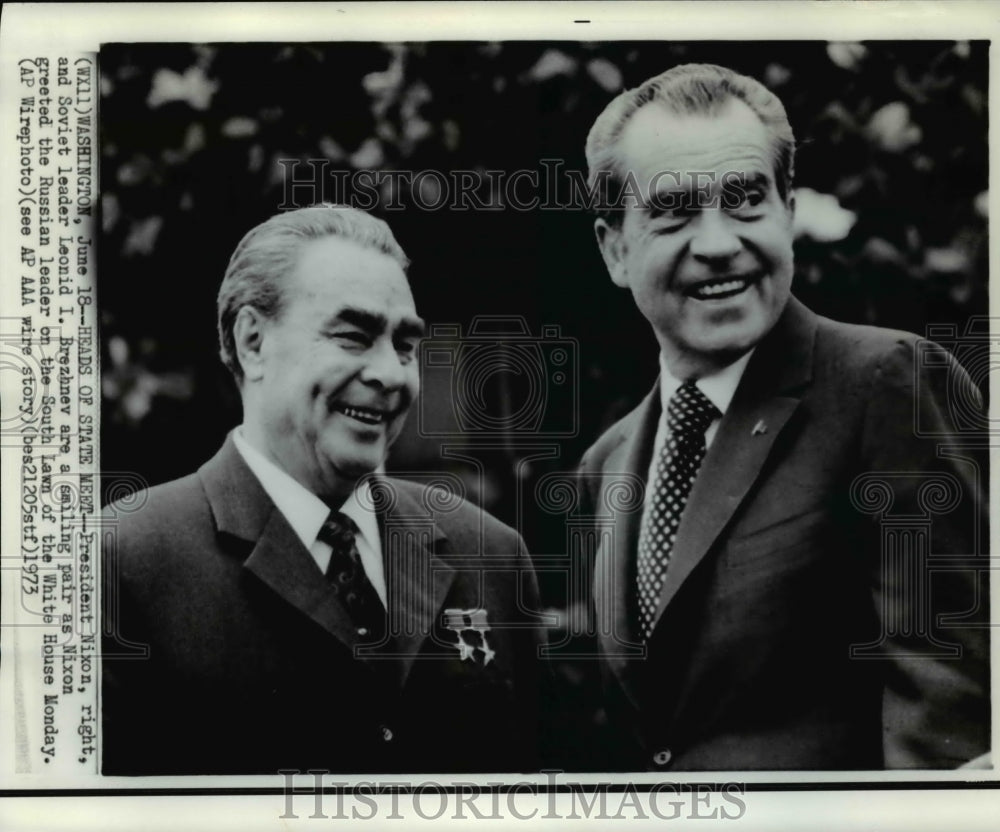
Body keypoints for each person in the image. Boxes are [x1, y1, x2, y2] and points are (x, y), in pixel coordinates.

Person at [572, 63, 989, 770]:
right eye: (673, 211)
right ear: (615, 249)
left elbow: (945, 706)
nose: (717, 243)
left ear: (788, 212)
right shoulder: (604, 465)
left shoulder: (885, 383)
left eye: (745, 200)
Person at [102, 205, 544, 775]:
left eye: (405, 345)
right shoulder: (122, 561)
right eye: (353, 336)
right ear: (252, 343)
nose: (390, 373)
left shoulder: (491, 554)